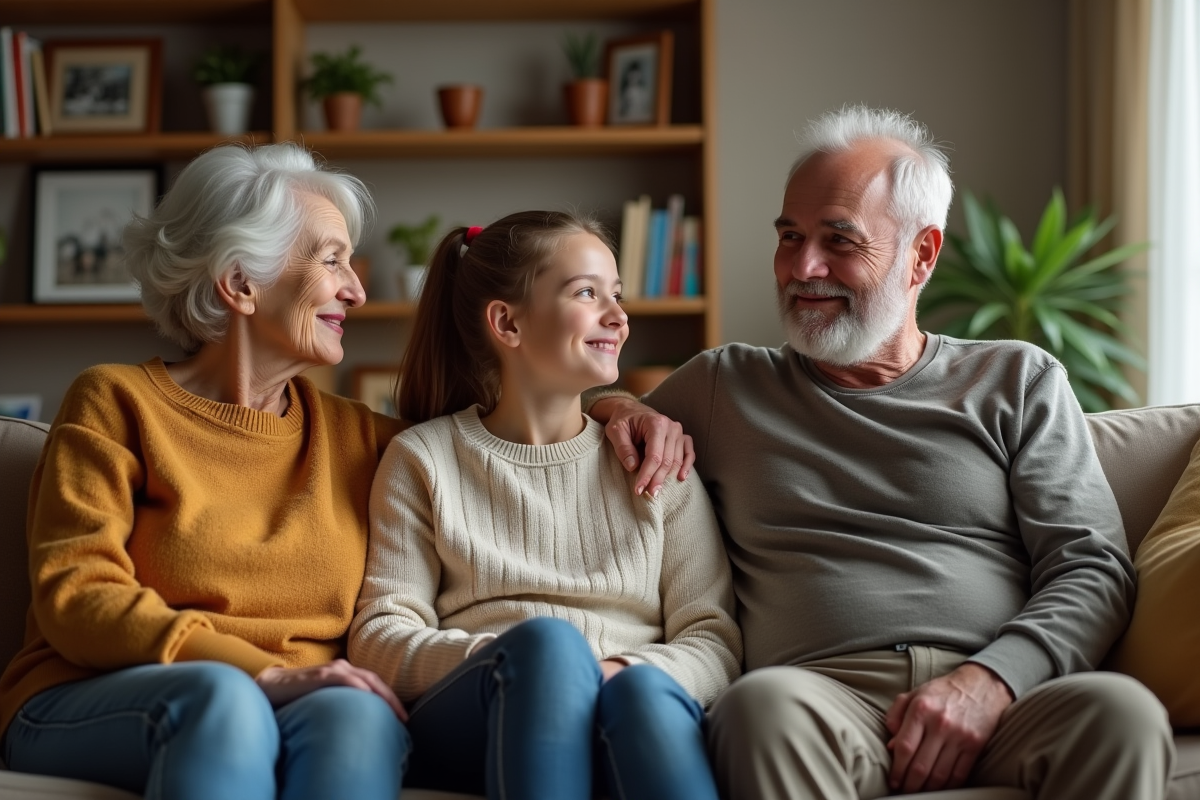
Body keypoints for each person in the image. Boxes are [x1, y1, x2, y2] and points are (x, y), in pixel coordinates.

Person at [588, 106, 1174, 800]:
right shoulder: (728, 384)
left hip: (1005, 697)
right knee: (760, 708)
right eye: (790, 237)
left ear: (921, 253)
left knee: (1123, 715)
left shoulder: (1017, 380)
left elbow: (1092, 565)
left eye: (839, 241)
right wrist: (620, 406)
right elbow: (570, 415)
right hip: (819, 702)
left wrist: (990, 681)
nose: (804, 267)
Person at [0, 143, 410, 800]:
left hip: (304, 698)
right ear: (241, 282)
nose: (356, 290)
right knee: (224, 699)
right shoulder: (116, 402)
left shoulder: (360, 436)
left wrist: (621, 408)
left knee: (357, 715)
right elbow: (78, 597)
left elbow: (509, 433)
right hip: (90, 695)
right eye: (331, 259)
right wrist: (260, 673)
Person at [349, 211, 742, 800]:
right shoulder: (424, 459)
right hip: (478, 709)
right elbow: (381, 635)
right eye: (587, 293)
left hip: (625, 705)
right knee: (549, 645)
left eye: (617, 294)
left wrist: (614, 673)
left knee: (641, 693)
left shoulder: (656, 457)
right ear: (507, 322)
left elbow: (712, 638)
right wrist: (527, 663)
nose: (618, 316)